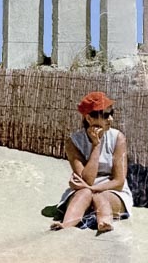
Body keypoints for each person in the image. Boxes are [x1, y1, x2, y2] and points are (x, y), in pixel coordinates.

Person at [50, 91, 133, 233]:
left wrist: (93, 189)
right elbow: (87, 180)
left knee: (100, 197)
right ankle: (65, 225)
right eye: (106, 115)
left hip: (111, 190)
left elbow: (119, 181)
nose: (111, 119)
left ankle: (104, 222)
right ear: (89, 118)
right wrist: (96, 146)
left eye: (111, 113)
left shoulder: (118, 138)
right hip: (84, 189)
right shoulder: (73, 142)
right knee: (84, 194)